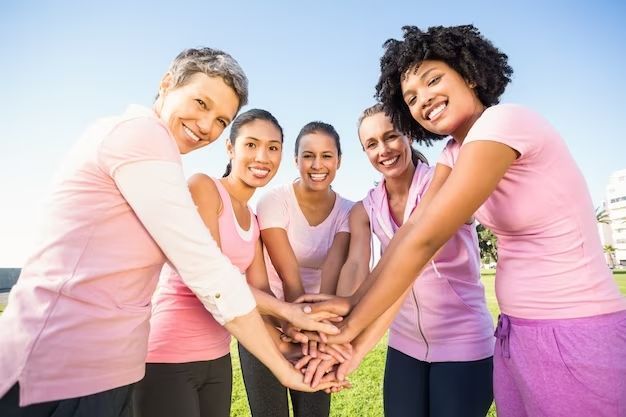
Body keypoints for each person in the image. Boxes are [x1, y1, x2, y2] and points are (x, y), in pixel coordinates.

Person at [0, 48, 338, 417]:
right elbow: (206, 270)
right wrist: (284, 352)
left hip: (110, 370)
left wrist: (287, 338)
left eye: (221, 118)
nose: (206, 125)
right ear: (166, 83)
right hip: (56, 368)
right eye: (200, 102)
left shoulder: (168, 165)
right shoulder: (142, 135)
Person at [310, 25, 626, 417]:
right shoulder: (453, 153)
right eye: (411, 97)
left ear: (470, 74)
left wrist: (350, 330)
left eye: (433, 80)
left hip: (574, 329)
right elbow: (410, 232)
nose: (424, 99)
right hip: (517, 332)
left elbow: (425, 242)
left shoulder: (504, 122)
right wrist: (351, 304)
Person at [325, 103, 493, 417]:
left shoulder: (445, 183)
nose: (383, 150)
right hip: (404, 344)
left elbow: (415, 257)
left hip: (463, 340)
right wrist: (337, 328)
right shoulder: (366, 208)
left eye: (391, 137)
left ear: (409, 136)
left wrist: (354, 331)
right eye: (371, 144)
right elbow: (357, 265)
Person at [238, 121, 354, 417]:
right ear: (296, 160)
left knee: (314, 410)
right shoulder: (274, 201)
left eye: (327, 156)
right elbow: (290, 278)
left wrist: (317, 337)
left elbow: (331, 275)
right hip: (266, 319)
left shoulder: (348, 212)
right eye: (308, 155)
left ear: (339, 160)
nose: (317, 164)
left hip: (315, 328)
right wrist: (294, 324)